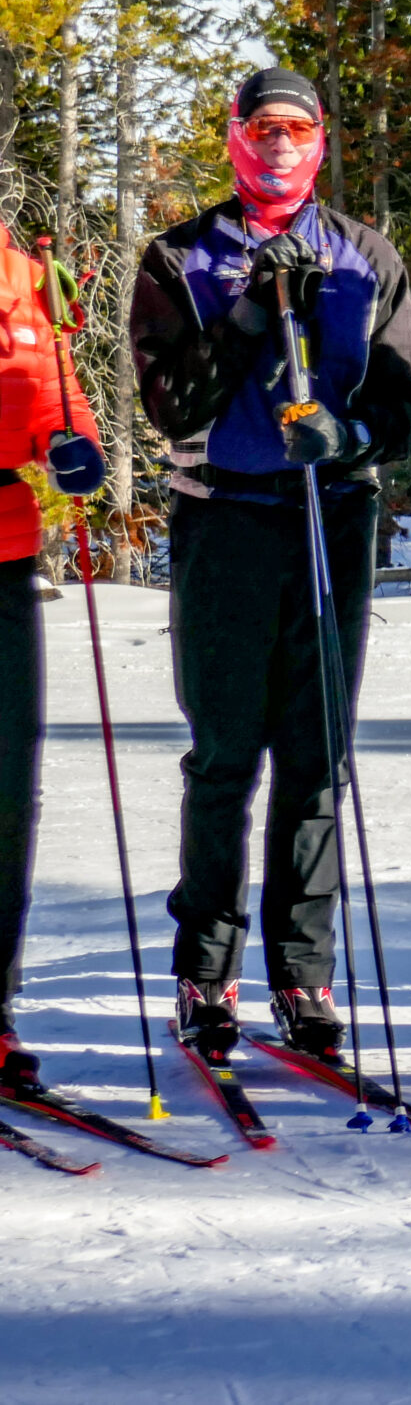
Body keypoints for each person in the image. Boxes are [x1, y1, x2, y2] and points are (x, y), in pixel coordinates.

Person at [129, 67, 411, 1059]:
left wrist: (346, 439)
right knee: (225, 755)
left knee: (316, 760)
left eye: (297, 130)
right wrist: (252, 317)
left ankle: (303, 976)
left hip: (328, 518)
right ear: (233, 138)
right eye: (262, 128)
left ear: (321, 142)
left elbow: (404, 402)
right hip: (224, 522)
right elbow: (170, 406)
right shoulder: (181, 258)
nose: (279, 146)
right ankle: (204, 972)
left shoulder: (362, 255)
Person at [0, 226, 103, 1093]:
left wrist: (71, 440)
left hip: (6, 554)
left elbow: (54, 392)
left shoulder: (25, 275)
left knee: (6, 788)